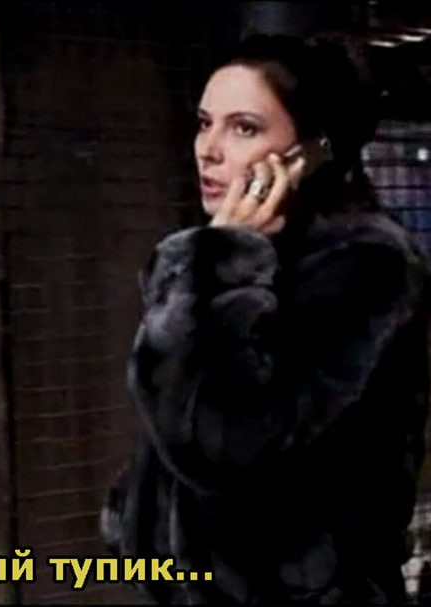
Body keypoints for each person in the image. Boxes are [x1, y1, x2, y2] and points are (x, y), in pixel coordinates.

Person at [100, 33, 431, 604]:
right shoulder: (245, 257)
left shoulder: (366, 266)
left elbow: (223, 443)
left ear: (312, 150)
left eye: (244, 128)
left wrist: (214, 271)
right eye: (204, 123)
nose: (208, 149)